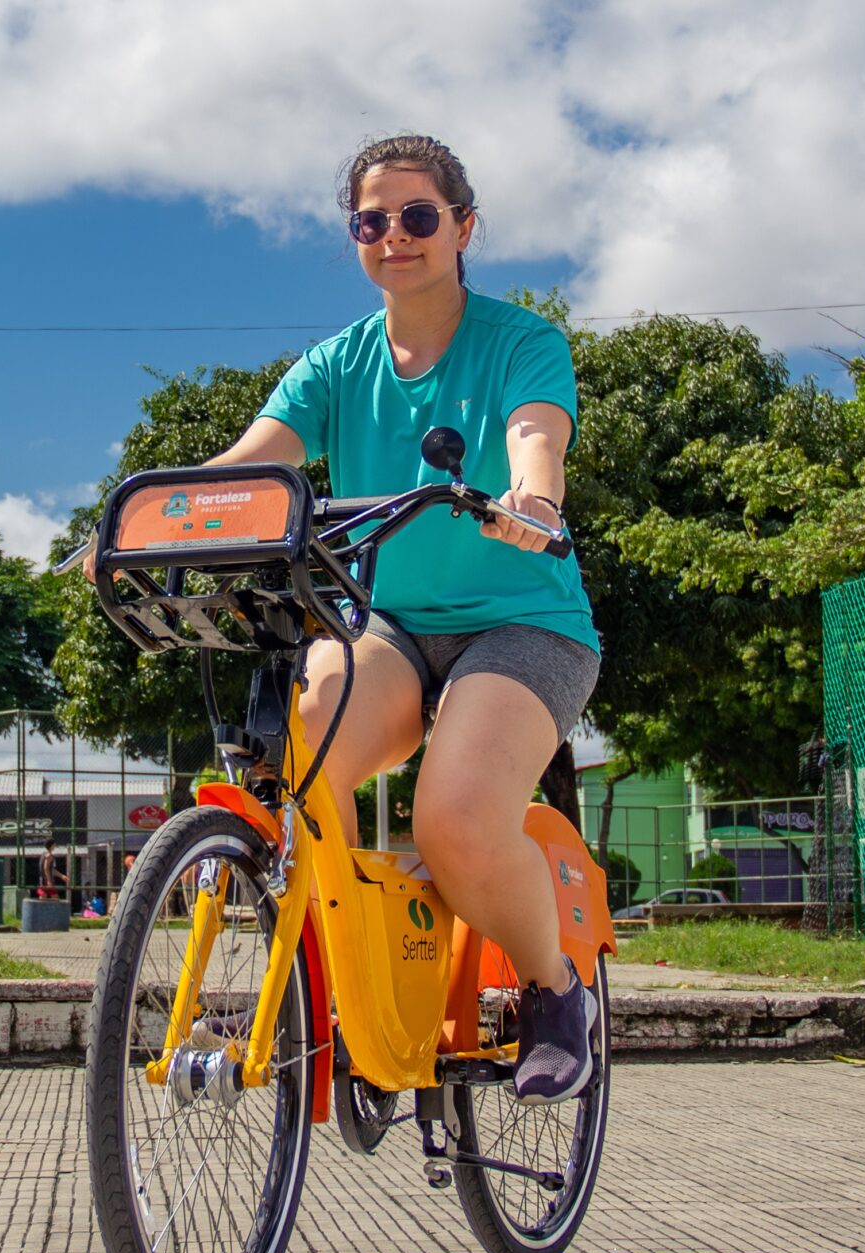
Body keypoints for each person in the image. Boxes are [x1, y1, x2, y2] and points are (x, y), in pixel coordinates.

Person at [101, 135, 601, 1104]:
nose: (395, 238)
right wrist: (139, 521)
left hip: (525, 623)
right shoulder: (337, 364)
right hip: (393, 628)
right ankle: (338, 980)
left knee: (452, 818)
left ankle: (554, 989)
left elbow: (535, 438)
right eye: (371, 222)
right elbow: (250, 465)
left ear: (463, 227)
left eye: (418, 217)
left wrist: (533, 501)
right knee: (295, 755)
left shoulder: (521, 342)